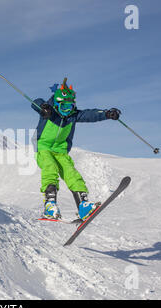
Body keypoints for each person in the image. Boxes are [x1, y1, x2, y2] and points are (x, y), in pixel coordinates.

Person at [31, 77, 120, 221]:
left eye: (70, 107)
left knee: (72, 173)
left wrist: (106, 113)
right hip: (43, 147)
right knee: (50, 168)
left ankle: (83, 205)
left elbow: (90, 114)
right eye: (63, 107)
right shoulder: (49, 111)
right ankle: (50, 205)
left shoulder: (72, 116)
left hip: (61, 150)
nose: (67, 111)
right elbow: (36, 102)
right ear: (56, 103)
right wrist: (44, 107)